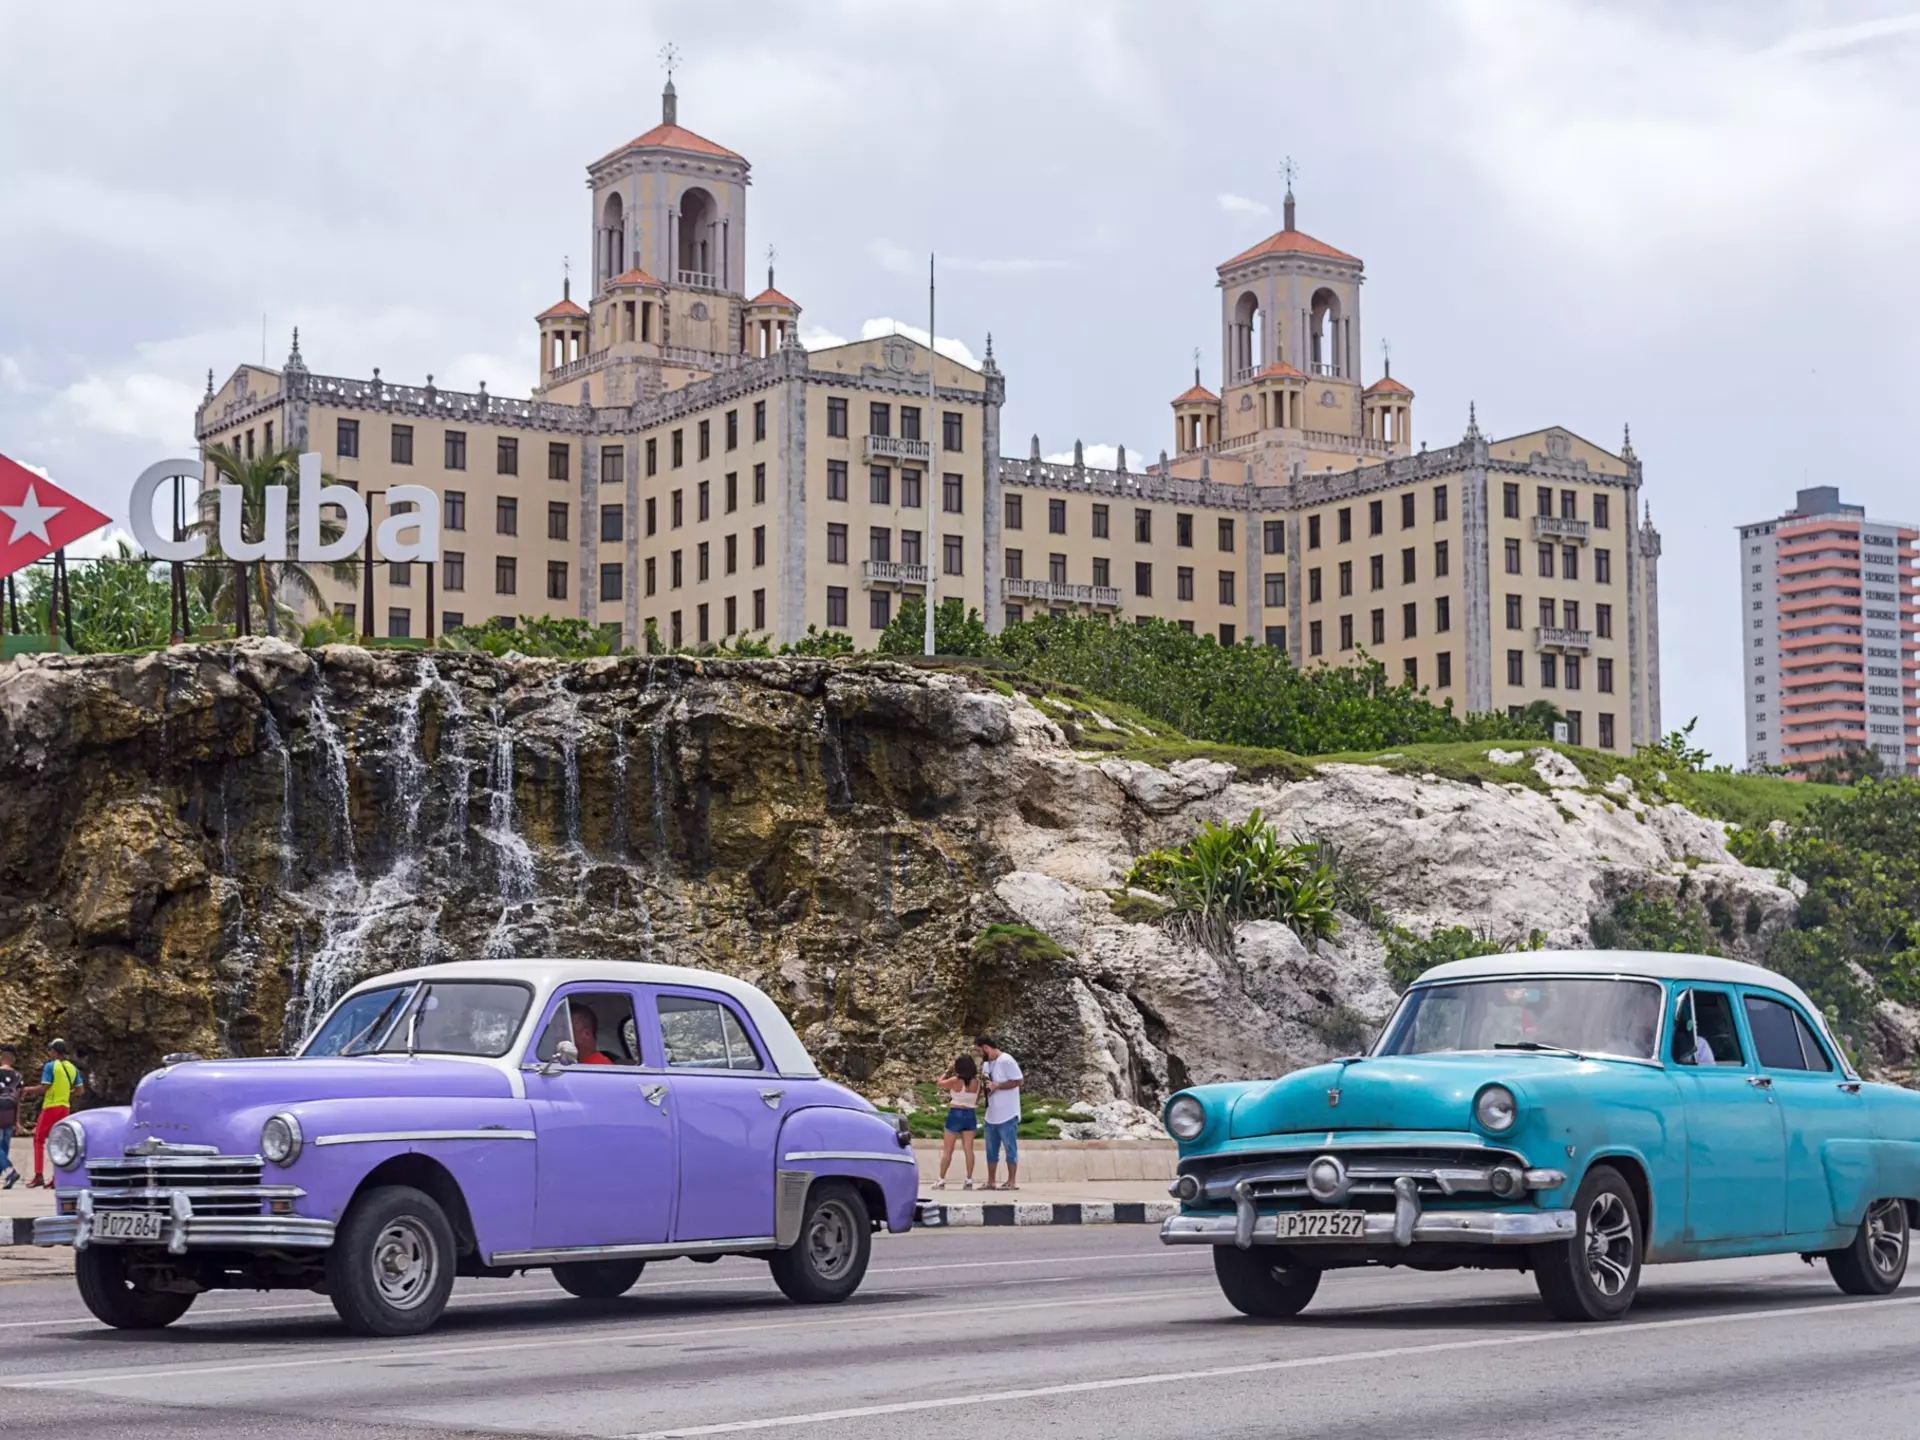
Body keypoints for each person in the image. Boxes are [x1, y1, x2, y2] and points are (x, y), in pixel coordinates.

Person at [21, 1039, 82, 1188]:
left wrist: (28, 1090)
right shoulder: (72, 1068)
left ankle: (38, 1175)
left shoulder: (50, 1066)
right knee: (60, 1142)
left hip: (51, 1107)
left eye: (50, 1050)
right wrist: (66, 1094)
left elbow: (44, 1088)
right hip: (65, 1107)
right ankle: (57, 1178)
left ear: (54, 1051)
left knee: (39, 1139)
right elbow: (80, 1090)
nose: (49, 1053)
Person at [975, 1035, 1023, 1192]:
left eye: (979, 1050)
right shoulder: (987, 1064)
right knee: (991, 1151)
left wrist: (998, 1086)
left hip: (1008, 1114)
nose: (980, 1053)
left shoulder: (1007, 1060)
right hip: (991, 1115)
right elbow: (986, 1084)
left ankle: (1012, 1181)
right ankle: (991, 1181)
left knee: (1010, 1149)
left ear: (986, 1048)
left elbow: (1018, 1080)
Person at [930, 1055, 979, 1190]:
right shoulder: (977, 1083)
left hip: (955, 1114)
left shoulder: (955, 1081)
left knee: (948, 1151)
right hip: (970, 1115)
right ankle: (969, 1179)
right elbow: (976, 1100)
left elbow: (939, 1083)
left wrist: (947, 1070)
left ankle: (941, 1180)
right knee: (969, 1150)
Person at [0, 1047, 21, 1189]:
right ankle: (7, 1175)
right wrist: (17, 1121)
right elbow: (19, 1099)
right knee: (4, 1147)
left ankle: (10, 1171)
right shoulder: (18, 1076)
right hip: (10, 1114)